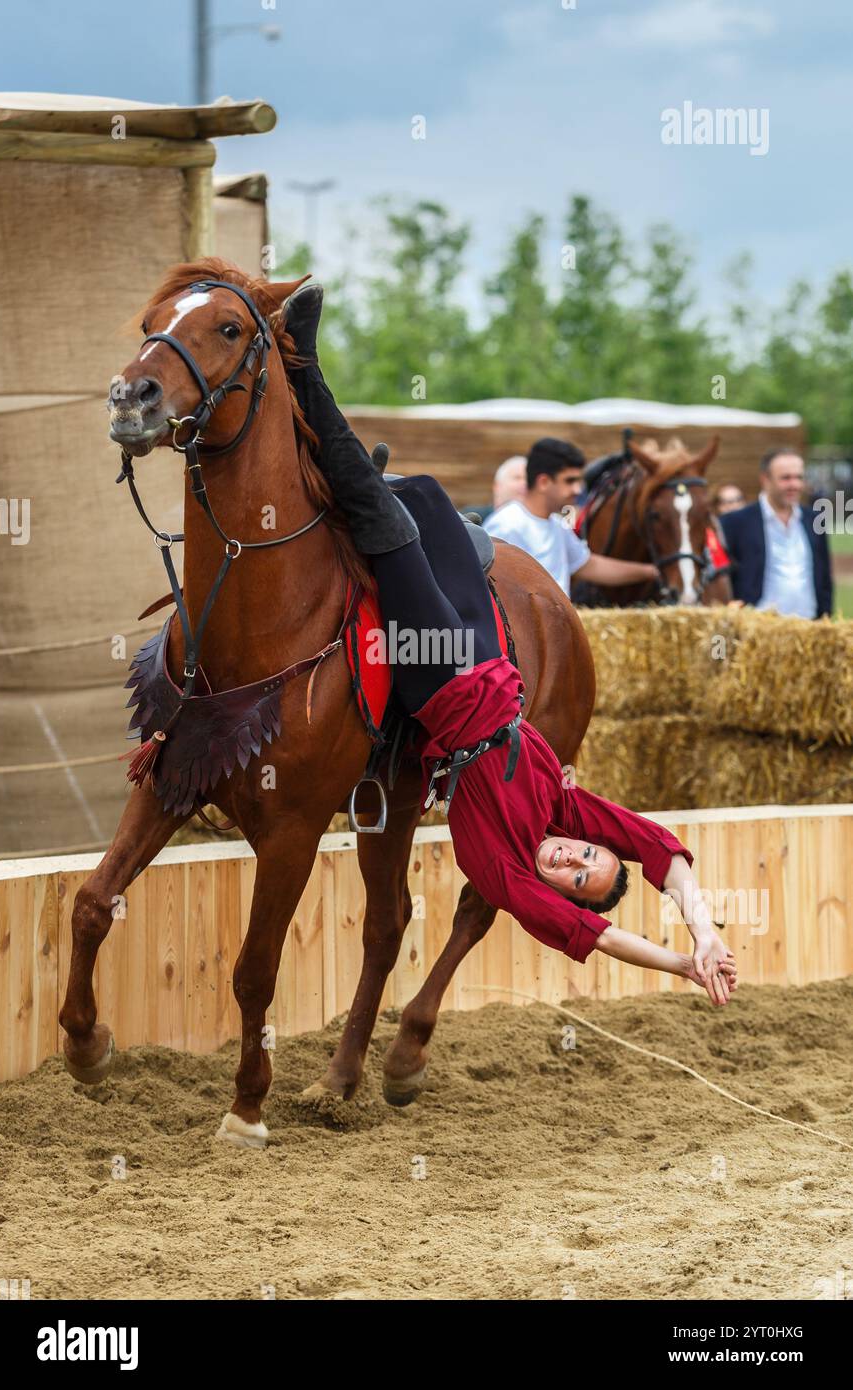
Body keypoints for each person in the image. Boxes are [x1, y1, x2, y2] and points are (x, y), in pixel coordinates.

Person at [282, 286, 737, 1005]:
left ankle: (301, 371)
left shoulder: (506, 875)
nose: (571, 856)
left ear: (560, 895)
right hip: (492, 659)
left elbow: (603, 937)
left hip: (443, 681)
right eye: (589, 856)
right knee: (426, 496)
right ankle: (347, 477)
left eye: (574, 876)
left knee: (387, 519)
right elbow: (663, 852)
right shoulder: (566, 810)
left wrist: (679, 966)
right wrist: (704, 928)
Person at [484, 437, 660, 599]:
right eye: (570, 481)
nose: (578, 489)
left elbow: (589, 565)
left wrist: (652, 571)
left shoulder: (558, 525)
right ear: (543, 482)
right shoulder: (506, 525)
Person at [720, 450, 833, 619]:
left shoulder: (814, 520)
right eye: (786, 478)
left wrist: (826, 618)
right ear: (765, 480)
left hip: (809, 630)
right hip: (758, 630)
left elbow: (824, 579)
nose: (794, 484)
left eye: (799, 477)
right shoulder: (735, 523)